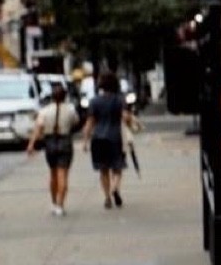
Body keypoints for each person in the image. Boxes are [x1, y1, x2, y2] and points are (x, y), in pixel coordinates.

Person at [25, 82, 83, 217]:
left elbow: (38, 128)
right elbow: (75, 122)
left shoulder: (44, 111)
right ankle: (60, 204)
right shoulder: (70, 109)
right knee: (63, 174)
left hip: (50, 142)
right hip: (65, 141)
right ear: (64, 96)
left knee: (53, 174)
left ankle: (53, 201)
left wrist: (31, 144)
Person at [87, 71, 139, 210]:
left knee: (103, 170)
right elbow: (125, 117)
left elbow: (90, 122)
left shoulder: (94, 101)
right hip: (115, 137)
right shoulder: (120, 100)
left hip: (98, 138)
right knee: (117, 167)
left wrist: (86, 140)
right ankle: (115, 188)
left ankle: (107, 198)